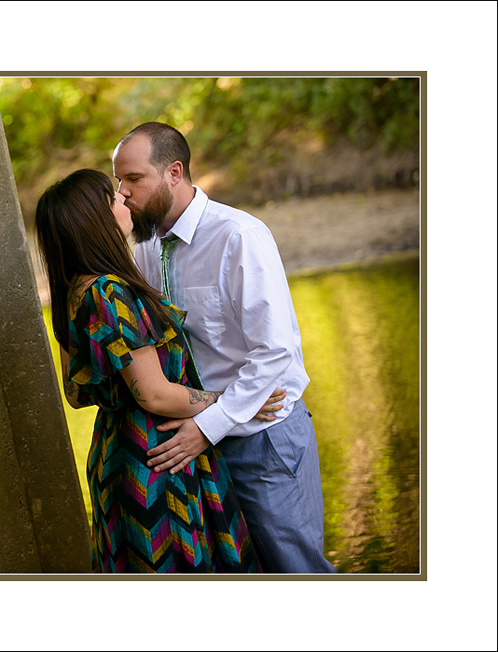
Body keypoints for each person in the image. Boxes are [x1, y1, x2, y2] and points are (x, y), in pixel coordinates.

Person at [112, 122, 337, 573]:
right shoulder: (144, 248)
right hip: (195, 446)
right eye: (118, 181)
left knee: (297, 571)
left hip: (263, 438)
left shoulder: (238, 236)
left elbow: (275, 352)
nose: (122, 194)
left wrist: (208, 426)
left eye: (133, 179)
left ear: (174, 172)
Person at [35, 168, 283, 573]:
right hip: (158, 457)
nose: (124, 199)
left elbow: (77, 395)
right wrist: (238, 402)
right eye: (113, 198)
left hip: (115, 453)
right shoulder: (109, 291)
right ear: (97, 218)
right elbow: (153, 394)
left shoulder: (73, 292)